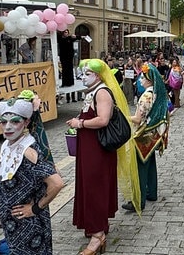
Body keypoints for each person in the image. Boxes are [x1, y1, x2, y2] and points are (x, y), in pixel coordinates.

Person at [66, 59, 140, 254]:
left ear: (98, 75)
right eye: (82, 72)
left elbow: (103, 119)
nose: (83, 76)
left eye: (87, 73)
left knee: (94, 187)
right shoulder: (93, 91)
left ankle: (98, 234)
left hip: (98, 149)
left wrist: (79, 123)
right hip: (89, 147)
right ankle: (96, 226)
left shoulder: (102, 92)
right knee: (88, 185)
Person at [0, 98, 63, 254]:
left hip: (27, 226)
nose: (8, 127)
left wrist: (36, 208)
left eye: (15, 122)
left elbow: (57, 183)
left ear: (26, 122)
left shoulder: (28, 151)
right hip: (13, 224)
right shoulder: (7, 143)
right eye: (4, 122)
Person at [121, 63, 170, 212]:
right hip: (154, 134)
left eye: (143, 77)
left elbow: (137, 119)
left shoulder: (146, 96)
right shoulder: (158, 93)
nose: (140, 79)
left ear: (149, 80)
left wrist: (122, 116)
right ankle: (151, 193)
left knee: (140, 168)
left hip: (143, 135)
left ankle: (138, 201)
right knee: (150, 164)